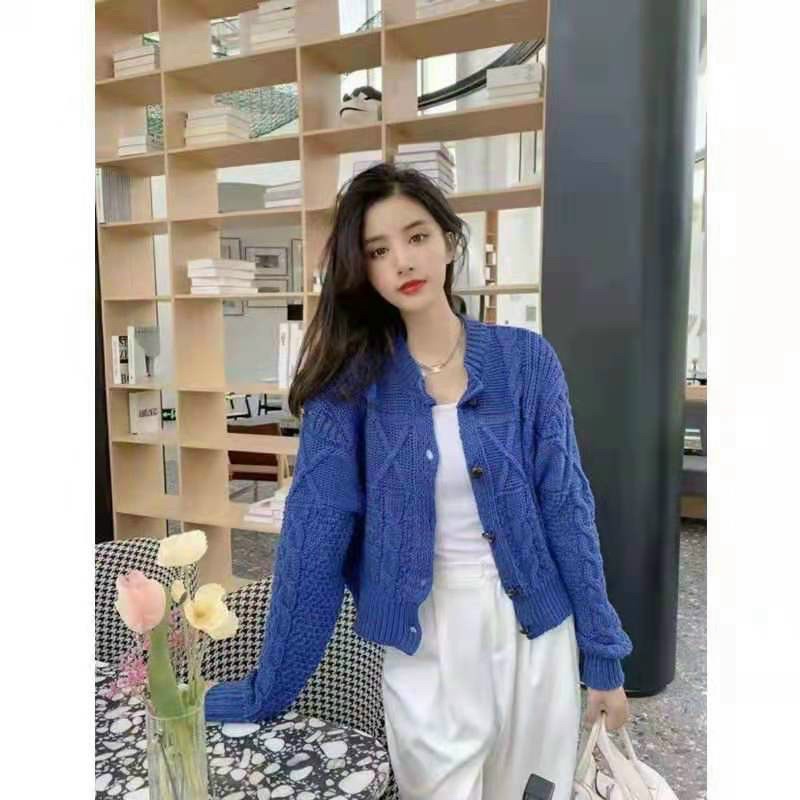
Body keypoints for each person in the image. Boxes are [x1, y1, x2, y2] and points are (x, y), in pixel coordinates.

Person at [205, 163, 634, 799]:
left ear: (449, 242)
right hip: (425, 641)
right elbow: (312, 546)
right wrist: (268, 690)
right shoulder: (347, 391)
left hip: (537, 636)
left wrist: (602, 656)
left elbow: (567, 510)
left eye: (417, 236)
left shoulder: (527, 362)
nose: (403, 260)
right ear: (363, 271)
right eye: (378, 251)